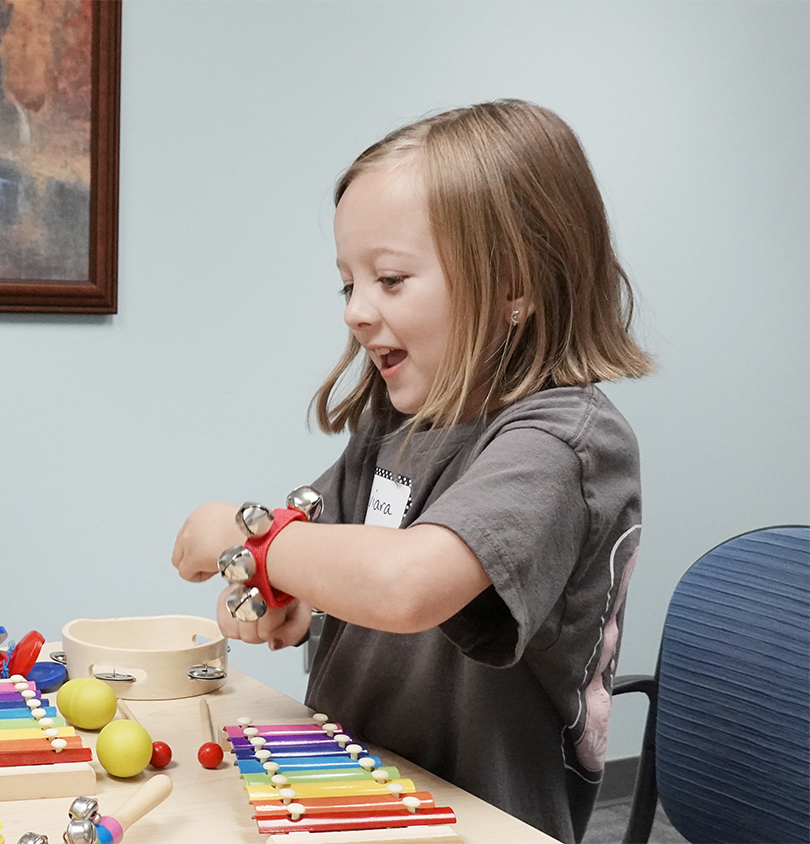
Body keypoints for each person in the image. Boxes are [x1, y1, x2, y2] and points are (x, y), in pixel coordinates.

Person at [171, 100, 653, 843]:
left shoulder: (565, 445)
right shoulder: (397, 427)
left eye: (390, 280)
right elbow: (330, 559)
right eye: (349, 284)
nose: (356, 312)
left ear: (514, 285)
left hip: (478, 822)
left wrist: (238, 534)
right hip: (358, 795)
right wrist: (281, 595)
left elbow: (406, 584)